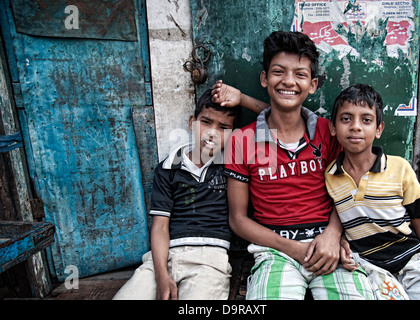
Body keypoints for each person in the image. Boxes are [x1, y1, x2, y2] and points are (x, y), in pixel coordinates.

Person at [216, 31, 374, 300]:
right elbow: (238, 219)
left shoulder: (330, 132)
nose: (289, 81)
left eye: (300, 74)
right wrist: (293, 248)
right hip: (273, 251)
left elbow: (351, 190)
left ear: (312, 85)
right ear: (265, 79)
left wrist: (333, 234)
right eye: (279, 72)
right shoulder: (242, 140)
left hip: (327, 245)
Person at [113, 89, 240, 300]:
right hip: (165, 257)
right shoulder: (168, 167)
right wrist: (161, 275)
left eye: (223, 127)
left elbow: (280, 118)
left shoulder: (232, 166)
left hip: (209, 260)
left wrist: (242, 99)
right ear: (192, 122)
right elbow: (161, 225)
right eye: (206, 122)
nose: (212, 133)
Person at [325, 83, 420, 300]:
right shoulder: (331, 176)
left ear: (379, 129)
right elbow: (342, 217)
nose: (355, 126)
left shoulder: (400, 168)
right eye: (346, 119)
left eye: (366, 120)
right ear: (333, 128)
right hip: (369, 269)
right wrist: (342, 242)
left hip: (412, 263)